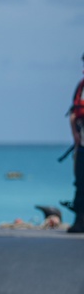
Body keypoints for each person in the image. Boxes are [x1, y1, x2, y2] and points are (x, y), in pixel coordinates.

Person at [68, 52, 84, 233]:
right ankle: (81, 219)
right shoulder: (81, 87)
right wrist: (76, 136)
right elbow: (74, 114)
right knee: (81, 183)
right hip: (82, 143)